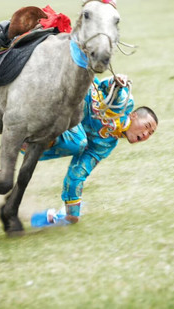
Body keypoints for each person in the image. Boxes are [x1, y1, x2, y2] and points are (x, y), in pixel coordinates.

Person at [29, 74, 158, 224]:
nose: (145, 134)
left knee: (78, 143)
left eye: (150, 133)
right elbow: (109, 88)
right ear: (134, 115)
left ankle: (33, 141)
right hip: (69, 88)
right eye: (147, 127)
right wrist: (116, 82)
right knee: (79, 142)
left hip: (57, 121)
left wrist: (72, 214)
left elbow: (78, 172)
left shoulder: (106, 145)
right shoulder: (125, 104)